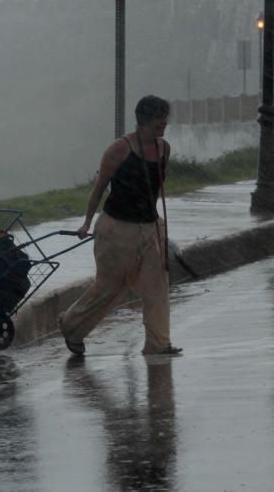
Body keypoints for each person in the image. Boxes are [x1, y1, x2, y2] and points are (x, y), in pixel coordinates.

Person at [57, 95, 182, 356]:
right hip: (115, 228)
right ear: (144, 121)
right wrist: (87, 223)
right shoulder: (119, 150)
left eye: (165, 119)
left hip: (148, 227)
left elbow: (155, 189)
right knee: (109, 287)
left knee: (157, 286)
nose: (164, 124)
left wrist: (156, 226)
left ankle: (158, 344)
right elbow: (99, 188)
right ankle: (72, 325)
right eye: (160, 119)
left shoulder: (164, 149)